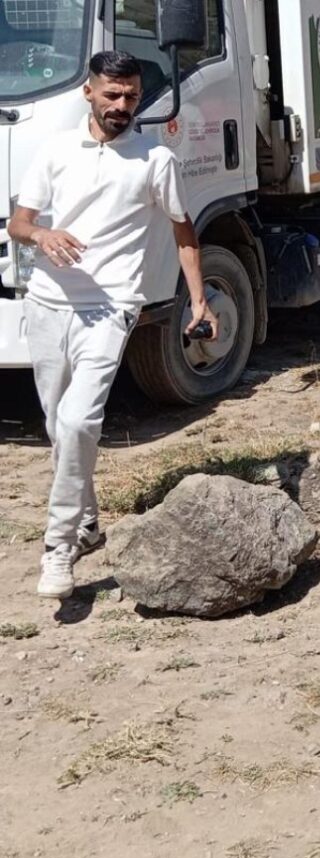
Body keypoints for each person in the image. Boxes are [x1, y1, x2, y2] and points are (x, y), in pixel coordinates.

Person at [7, 50, 215, 599]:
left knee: (79, 421)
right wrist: (43, 235)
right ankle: (87, 522)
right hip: (47, 302)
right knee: (59, 425)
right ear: (89, 92)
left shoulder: (155, 159)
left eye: (132, 96)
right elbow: (19, 223)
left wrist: (199, 301)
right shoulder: (55, 150)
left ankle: (58, 548)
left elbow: (184, 233)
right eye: (112, 95)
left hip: (112, 306)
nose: (123, 105)